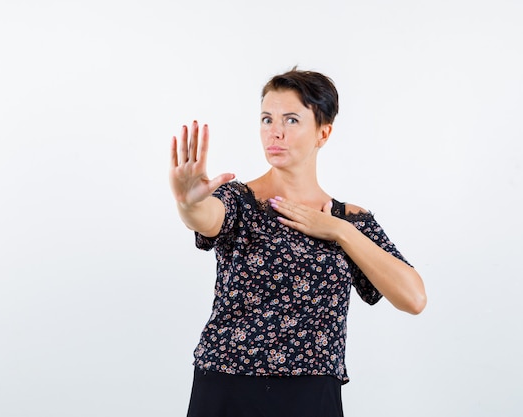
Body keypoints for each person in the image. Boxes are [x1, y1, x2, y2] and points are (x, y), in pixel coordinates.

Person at [168, 67, 427, 417]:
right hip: (227, 383)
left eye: (291, 120)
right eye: (266, 119)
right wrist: (188, 202)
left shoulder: (349, 219)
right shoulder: (239, 201)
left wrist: (339, 231)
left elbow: (413, 298)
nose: (275, 132)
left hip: (312, 392)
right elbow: (206, 218)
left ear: (324, 132)